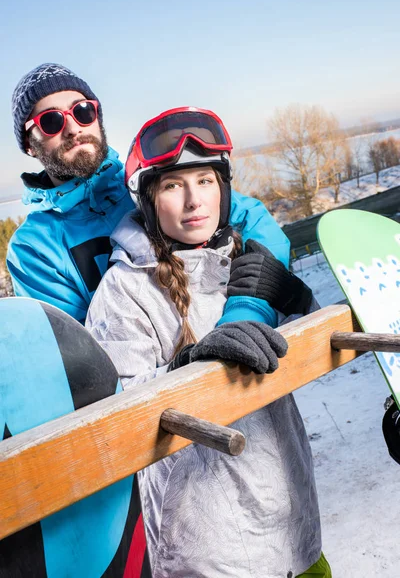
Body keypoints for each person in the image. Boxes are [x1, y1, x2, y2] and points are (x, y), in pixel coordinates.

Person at [86, 107, 331, 578]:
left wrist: (296, 297)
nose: (194, 200)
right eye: (174, 185)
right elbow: (115, 416)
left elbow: (315, 358)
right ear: (148, 200)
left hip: (296, 527)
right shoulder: (125, 290)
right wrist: (191, 365)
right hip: (208, 547)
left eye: (205, 180)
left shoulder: (245, 259)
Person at [7, 64, 289, 328]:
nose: (73, 128)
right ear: (30, 145)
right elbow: (80, 352)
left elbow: (250, 219)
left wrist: (249, 307)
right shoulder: (34, 248)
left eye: (82, 111)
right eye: (51, 121)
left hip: (236, 339)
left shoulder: (149, 181)